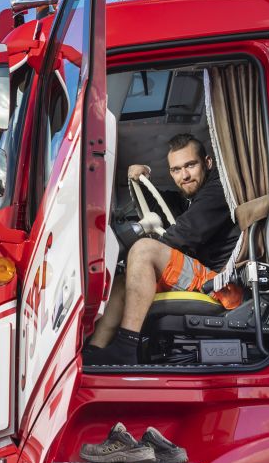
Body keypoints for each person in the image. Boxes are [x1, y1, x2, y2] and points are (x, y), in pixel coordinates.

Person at [84, 133, 242, 366]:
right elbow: (164, 203)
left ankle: (127, 348)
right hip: (200, 275)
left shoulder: (218, 189)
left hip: (220, 284)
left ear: (207, 163)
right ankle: (95, 352)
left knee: (145, 250)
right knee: (122, 281)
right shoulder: (191, 197)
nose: (184, 175)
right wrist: (141, 180)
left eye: (190, 165)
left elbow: (186, 233)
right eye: (176, 170)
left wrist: (142, 254)